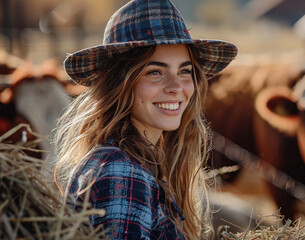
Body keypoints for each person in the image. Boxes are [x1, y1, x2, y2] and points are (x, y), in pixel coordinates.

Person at [53, 0, 237, 239]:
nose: (176, 87)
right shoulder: (122, 172)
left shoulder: (130, 162)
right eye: (155, 72)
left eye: (184, 71)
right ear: (119, 84)